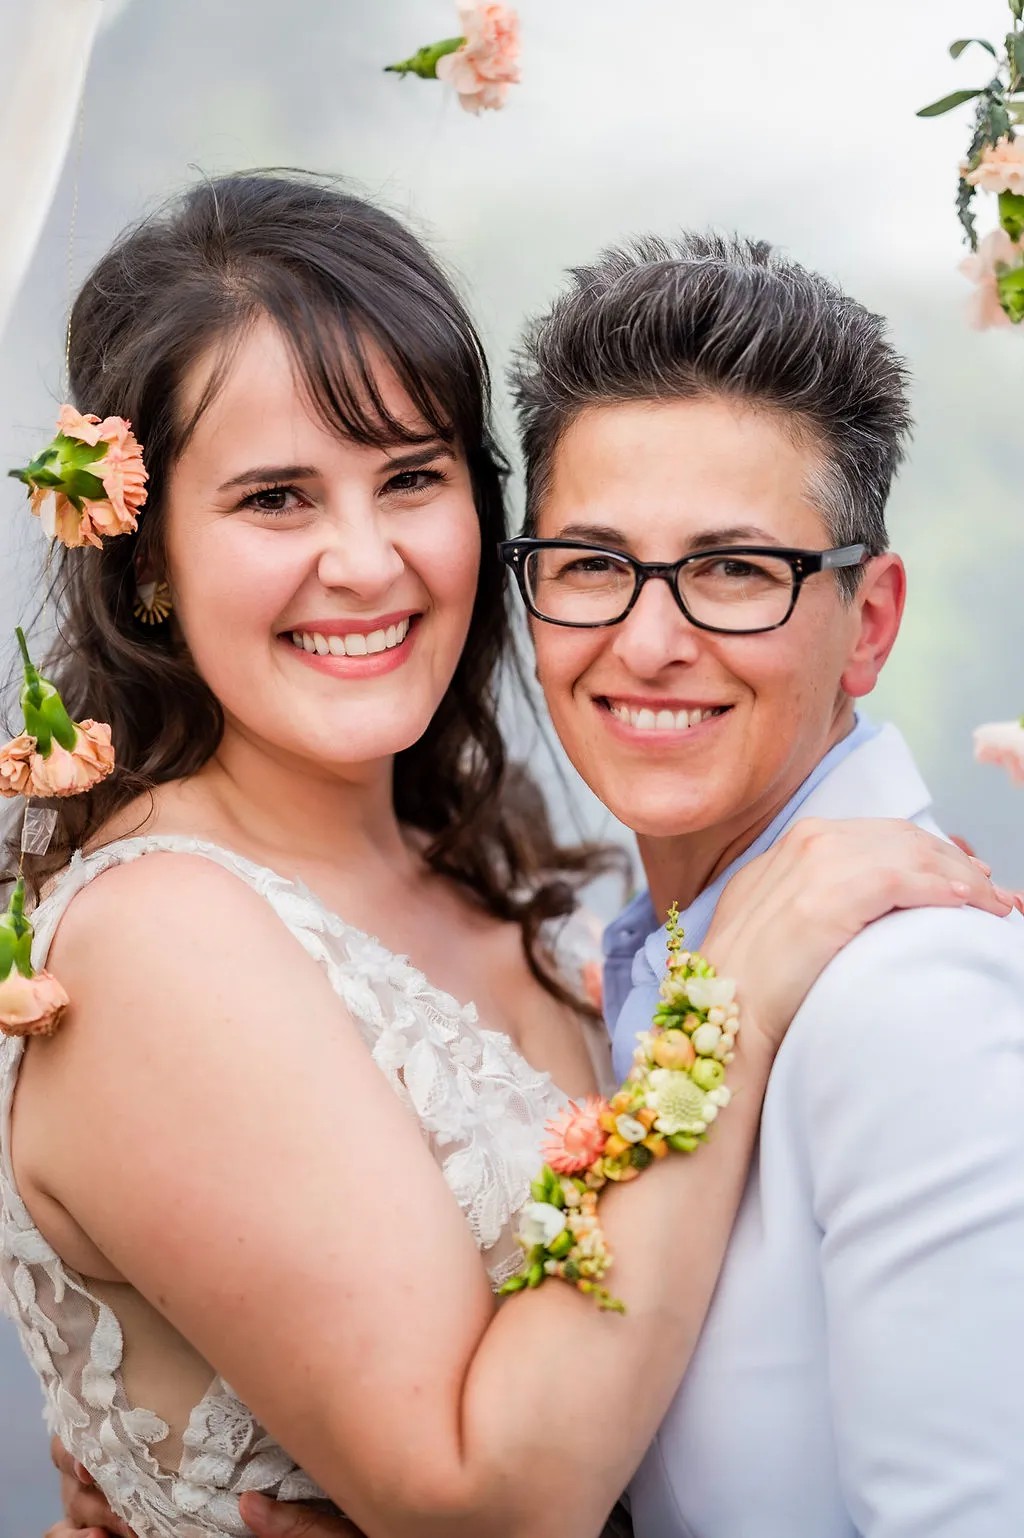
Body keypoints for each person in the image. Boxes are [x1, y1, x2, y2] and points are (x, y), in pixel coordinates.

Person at [26, 194, 1013, 1538]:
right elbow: (478, 1494)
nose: (364, 562)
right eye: (274, 498)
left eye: (412, 478)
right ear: (148, 553)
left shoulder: (527, 897)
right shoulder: (161, 938)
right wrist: (738, 988)